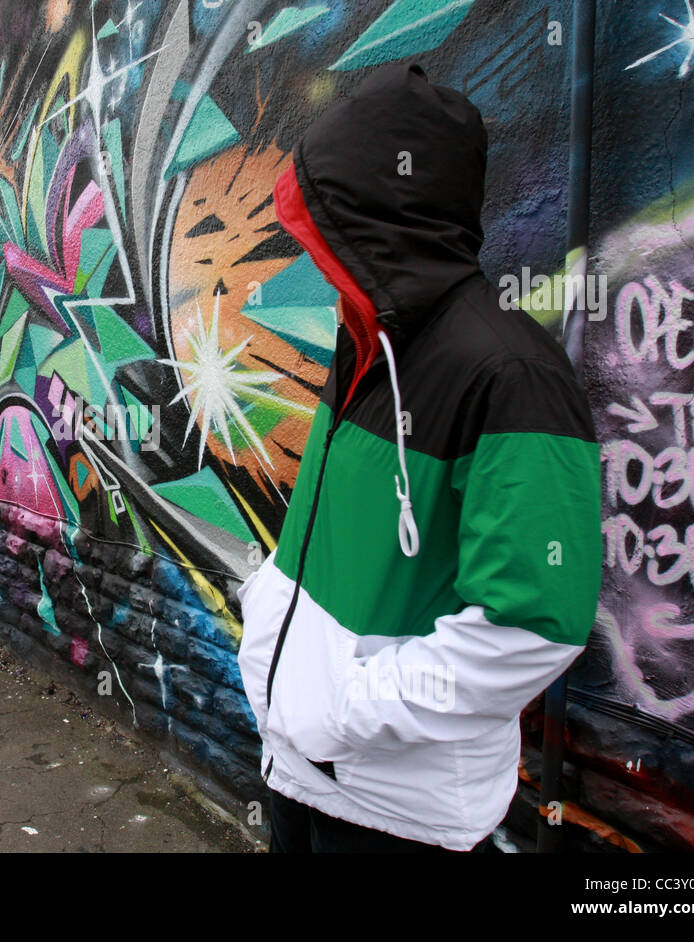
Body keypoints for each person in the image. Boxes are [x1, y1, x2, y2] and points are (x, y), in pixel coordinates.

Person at [236, 63, 602, 853]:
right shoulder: (366, 342)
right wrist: (266, 615)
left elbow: (533, 626)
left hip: (397, 813)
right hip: (299, 768)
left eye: (323, 228)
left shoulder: (512, 377)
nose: (312, 255)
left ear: (377, 222)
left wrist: (342, 712)